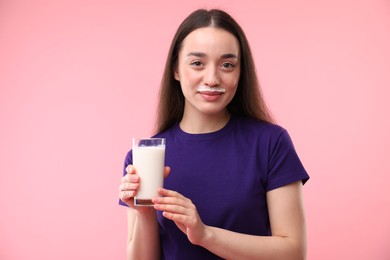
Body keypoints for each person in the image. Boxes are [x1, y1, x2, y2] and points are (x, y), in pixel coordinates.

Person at [118, 8, 309, 260]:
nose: (212, 78)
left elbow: (293, 253)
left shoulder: (270, 143)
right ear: (175, 69)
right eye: (197, 63)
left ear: (240, 73)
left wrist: (205, 235)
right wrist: (144, 213)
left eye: (227, 65)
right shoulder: (144, 156)